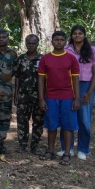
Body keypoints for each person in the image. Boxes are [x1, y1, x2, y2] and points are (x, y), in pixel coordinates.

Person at [38, 31, 80, 165]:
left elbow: (75, 79)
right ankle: (50, 150)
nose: (59, 42)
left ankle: (67, 153)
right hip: (51, 97)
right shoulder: (45, 58)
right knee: (51, 125)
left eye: (62, 40)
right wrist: (41, 99)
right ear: (52, 42)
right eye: (56, 40)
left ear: (65, 42)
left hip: (68, 97)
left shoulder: (71, 58)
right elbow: (41, 80)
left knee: (68, 126)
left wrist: (77, 98)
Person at [64, 25, 95, 160]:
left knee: (84, 119)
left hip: (86, 85)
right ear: (71, 36)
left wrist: (89, 92)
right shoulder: (66, 50)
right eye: (75, 33)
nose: (77, 36)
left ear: (84, 35)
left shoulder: (93, 51)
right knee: (68, 117)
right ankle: (66, 149)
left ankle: (83, 149)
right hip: (68, 85)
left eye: (80, 33)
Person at [14, 34, 44, 154]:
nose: (31, 45)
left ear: (37, 44)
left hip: (38, 96)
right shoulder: (20, 59)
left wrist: (44, 97)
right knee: (22, 120)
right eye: (29, 43)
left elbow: (46, 79)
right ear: (25, 44)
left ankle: (35, 145)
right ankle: (22, 144)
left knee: (38, 121)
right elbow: (16, 77)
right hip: (23, 95)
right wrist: (16, 95)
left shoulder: (42, 59)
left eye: (34, 43)